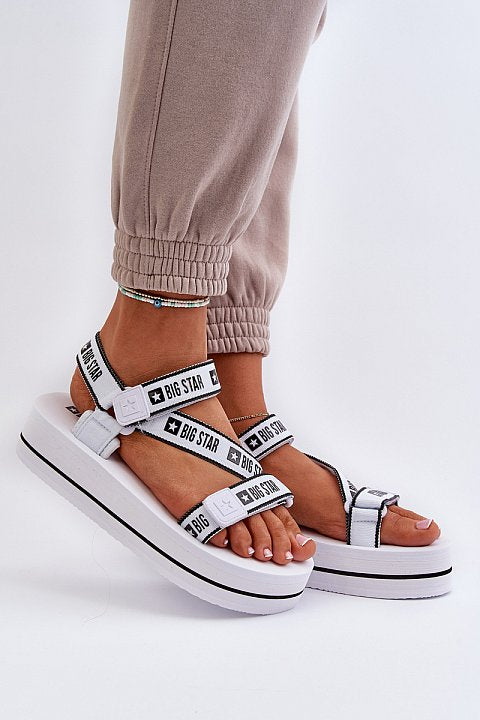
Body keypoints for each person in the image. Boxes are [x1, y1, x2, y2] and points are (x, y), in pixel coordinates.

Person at [22, 1, 448, 613]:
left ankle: (228, 387)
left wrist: (233, 321)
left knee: (280, 25)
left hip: (223, 324)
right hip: (150, 334)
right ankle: (150, 339)